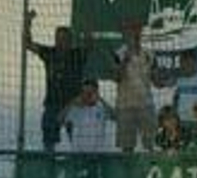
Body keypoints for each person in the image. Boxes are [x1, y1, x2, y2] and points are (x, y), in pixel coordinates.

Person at [23, 11, 91, 152]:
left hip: (73, 105)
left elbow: (89, 46)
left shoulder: (76, 54)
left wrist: (86, 25)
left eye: (64, 39)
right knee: (49, 142)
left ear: (70, 40)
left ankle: (81, 168)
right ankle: (50, 167)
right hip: (52, 104)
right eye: (58, 38)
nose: (61, 42)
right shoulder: (50, 53)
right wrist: (27, 22)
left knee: (80, 142)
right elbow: (28, 44)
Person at [112, 23, 157, 152]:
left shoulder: (149, 54)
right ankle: (127, 170)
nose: (135, 35)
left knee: (151, 144)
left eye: (138, 31)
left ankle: (152, 168)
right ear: (126, 35)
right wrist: (126, 59)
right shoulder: (118, 53)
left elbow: (156, 79)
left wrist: (164, 77)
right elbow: (117, 77)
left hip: (146, 104)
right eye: (131, 32)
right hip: (125, 105)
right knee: (127, 146)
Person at [62, 80, 115, 153]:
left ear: (96, 93)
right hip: (79, 153)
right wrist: (72, 102)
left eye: (90, 93)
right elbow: (60, 119)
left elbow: (115, 117)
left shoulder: (101, 108)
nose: (87, 95)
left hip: (99, 153)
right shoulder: (76, 109)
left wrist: (101, 99)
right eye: (85, 92)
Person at [169, 49, 197, 133]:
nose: (185, 66)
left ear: (195, 63)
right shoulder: (179, 81)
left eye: (188, 63)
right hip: (180, 121)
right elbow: (175, 100)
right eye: (182, 63)